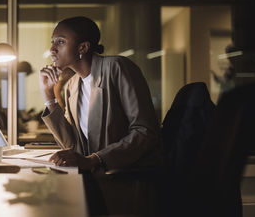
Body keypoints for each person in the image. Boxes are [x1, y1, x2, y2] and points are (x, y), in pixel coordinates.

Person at [39, 16, 163, 171]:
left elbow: (145, 131)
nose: (52, 49)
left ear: (82, 48)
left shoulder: (116, 67)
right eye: (53, 42)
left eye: (61, 41)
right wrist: (48, 95)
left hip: (127, 177)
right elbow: (72, 145)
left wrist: (94, 160)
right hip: (93, 177)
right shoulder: (72, 84)